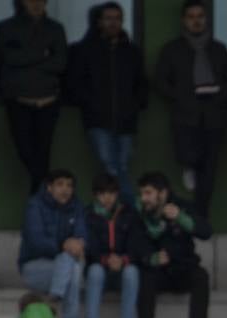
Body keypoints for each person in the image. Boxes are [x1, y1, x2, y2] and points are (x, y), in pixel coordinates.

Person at [66, 1, 147, 206]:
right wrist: (91, 104)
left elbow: (141, 83)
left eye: (118, 18)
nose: (113, 23)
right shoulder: (84, 50)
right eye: (108, 18)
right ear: (99, 22)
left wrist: (134, 105)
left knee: (121, 165)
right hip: (97, 120)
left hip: (126, 121)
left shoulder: (131, 52)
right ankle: (133, 208)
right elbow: (74, 84)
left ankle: (116, 211)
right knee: (110, 165)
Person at [155, 1, 227, 220]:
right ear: (183, 20)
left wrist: (220, 95)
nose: (196, 21)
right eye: (191, 16)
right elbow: (161, 81)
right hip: (186, 113)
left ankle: (200, 215)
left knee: (209, 169)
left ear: (206, 20)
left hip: (213, 113)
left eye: (200, 16)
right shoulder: (172, 49)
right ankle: (188, 168)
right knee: (189, 158)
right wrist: (182, 96)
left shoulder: (218, 48)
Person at [0, 0, 68, 195]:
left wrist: (23, 59)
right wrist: (42, 55)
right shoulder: (6, 27)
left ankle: (39, 196)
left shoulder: (55, 29)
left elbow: (60, 63)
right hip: (18, 100)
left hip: (48, 100)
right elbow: (0, 58)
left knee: (43, 152)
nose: (37, 4)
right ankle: (43, 192)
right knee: (25, 149)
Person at [135, 171, 214, 318]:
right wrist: (152, 258)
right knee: (145, 275)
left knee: (200, 276)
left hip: (183, 268)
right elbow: (136, 246)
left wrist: (181, 218)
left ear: (162, 193)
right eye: (142, 194)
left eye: (148, 193)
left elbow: (206, 232)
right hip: (159, 272)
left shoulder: (182, 207)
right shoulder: (140, 213)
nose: (144, 198)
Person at [17, 169, 85, 318]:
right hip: (35, 268)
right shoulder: (35, 205)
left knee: (72, 266)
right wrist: (64, 246)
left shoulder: (77, 206)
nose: (65, 189)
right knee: (70, 264)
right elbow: (36, 241)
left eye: (69, 185)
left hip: (65, 269)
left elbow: (83, 236)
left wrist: (79, 244)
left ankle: (54, 297)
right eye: (60, 184)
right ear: (49, 187)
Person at [83, 172, 144, 318]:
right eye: (102, 194)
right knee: (95, 271)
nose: (107, 198)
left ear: (117, 194)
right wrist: (105, 260)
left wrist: (123, 260)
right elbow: (89, 247)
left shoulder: (129, 214)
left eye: (110, 193)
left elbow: (137, 244)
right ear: (95, 195)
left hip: (123, 267)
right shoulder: (88, 214)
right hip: (99, 266)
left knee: (132, 272)